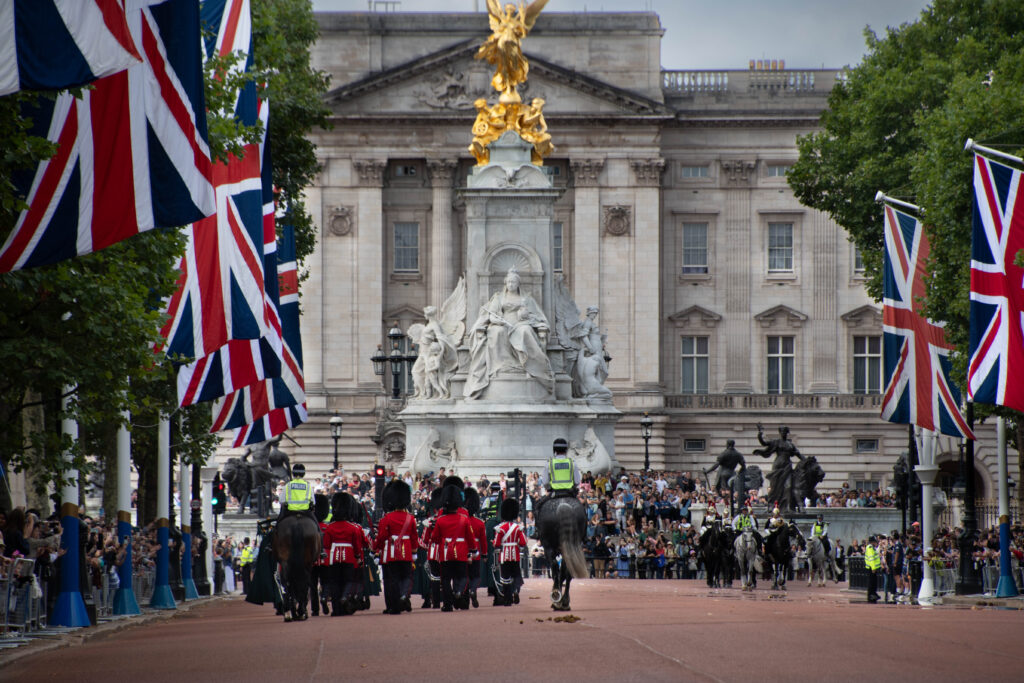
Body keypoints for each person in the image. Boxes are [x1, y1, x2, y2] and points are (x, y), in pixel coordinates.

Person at [464, 267, 554, 399]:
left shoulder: (526, 298)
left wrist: (525, 315)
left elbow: (536, 315)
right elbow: (492, 315)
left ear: (518, 284)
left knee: (525, 332)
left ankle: (528, 366)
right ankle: (499, 367)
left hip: (521, 324)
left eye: (514, 282)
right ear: (505, 283)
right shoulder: (499, 297)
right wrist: (497, 321)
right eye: (509, 282)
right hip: (503, 324)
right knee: (496, 332)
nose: (511, 285)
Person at [427, 483, 477, 612]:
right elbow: (470, 537)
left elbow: (435, 539)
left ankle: (448, 604)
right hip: (460, 551)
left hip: (445, 552)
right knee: (462, 576)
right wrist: (473, 550)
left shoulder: (440, 520)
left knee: (445, 579)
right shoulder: (464, 519)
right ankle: (459, 592)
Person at [374, 480, 418, 615]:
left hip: (390, 553)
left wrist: (376, 551)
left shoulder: (386, 519)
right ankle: (404, 595)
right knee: (406, 577)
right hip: (406, 551)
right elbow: (414, 537)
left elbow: (381, 538)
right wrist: (414, 551)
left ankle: (393, 606)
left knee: (390, 580)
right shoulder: (410, 518)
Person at [322, 492, 368, 616]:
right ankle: (344, 597)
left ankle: (336, 609)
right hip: (349, 556)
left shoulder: (330, 527)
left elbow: (326, 545)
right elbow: (357, 546)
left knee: (335, 582)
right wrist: (358, 557)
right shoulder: (352, 527)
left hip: (334, 557)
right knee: (348, 580)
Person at [754, 423, 805, 512]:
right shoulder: (776, 442)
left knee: (788, 486)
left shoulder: (790, 444)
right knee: (774, 487)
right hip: (778, 466)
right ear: (780, 433)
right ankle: (770, 505)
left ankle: (788, 507)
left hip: (787, 466)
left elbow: (798, 454)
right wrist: (760, 434)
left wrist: (807, 461)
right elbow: (764, 443)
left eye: (785, 432)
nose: (783, 433)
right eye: (782, 432)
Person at [492, 498, 527, 605]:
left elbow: (497, 544)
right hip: (515, 555)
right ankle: (516, 591)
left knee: (505, 578)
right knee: (516, 575)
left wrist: (493, 542)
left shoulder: (500, 528)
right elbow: (523, 542)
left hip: (504, 556)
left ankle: (508, 600)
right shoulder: (518, 528)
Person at [864, 535, 881, 603]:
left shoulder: (872, 548)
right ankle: (871, 594)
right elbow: (871, 559)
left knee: (874, 582)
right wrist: (873, 568)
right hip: (871, 568)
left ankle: (873, 593)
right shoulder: (870, 547)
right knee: (872, 582)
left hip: (873, 568)